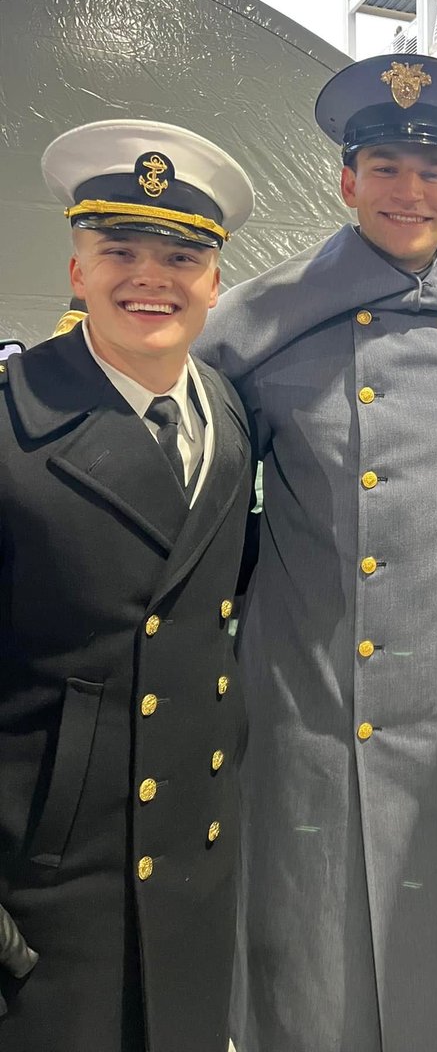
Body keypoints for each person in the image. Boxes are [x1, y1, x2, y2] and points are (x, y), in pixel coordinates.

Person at [195, 55, 437, 1052]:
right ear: (346, 181)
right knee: (307, 965)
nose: (411, 193)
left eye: (434, 173)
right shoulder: (255, 323)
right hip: (304, 699)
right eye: (386, 167)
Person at [0, 119, 255, 1052]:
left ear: (215, 282)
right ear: (77, 271)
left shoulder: (230, 415)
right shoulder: (11, 430)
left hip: (198, 861)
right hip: (51, 884)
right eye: (120, 251)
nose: (151, 277)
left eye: (182, 255)